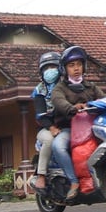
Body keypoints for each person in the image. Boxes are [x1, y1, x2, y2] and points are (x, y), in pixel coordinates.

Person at [50, 45, 106, 201]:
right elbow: (58, 101)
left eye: (79, 64)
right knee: (57, 146)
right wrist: (71, 108)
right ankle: (74, 182)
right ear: (64, 69)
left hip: (94, 127)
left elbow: (105, 99)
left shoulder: (91, 87)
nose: (76, 68)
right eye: (71, 65)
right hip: (69, 129)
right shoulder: (59, 88)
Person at [31, 51, 62, 190]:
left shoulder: (66, 85)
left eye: (53, 67)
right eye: (46, 68)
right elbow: (40, 115)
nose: (50, 71)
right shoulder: (39, 90)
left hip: (68, 125)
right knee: (49, 140)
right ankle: (41, 175)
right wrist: (51, 127)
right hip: (46, 129)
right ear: (41, 72)